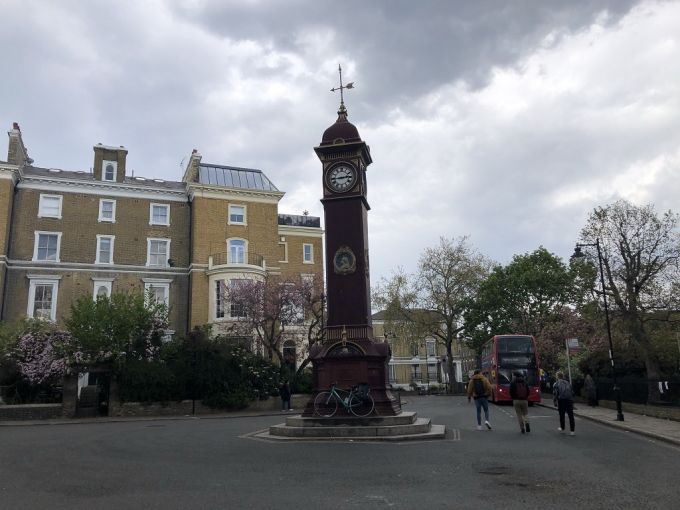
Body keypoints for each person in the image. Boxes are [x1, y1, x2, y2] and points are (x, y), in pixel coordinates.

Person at [553, 371, 575, 435]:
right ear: (562, 376)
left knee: (561, 415)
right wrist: (572, 401)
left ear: (557, 376)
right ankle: (572, 431)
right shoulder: (568, 383)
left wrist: (555, 402)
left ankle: (562, 427)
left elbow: (555, 393)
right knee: (571, 416)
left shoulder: (556, 383)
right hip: (569, 400)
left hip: (561, 400)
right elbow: (572, 392)